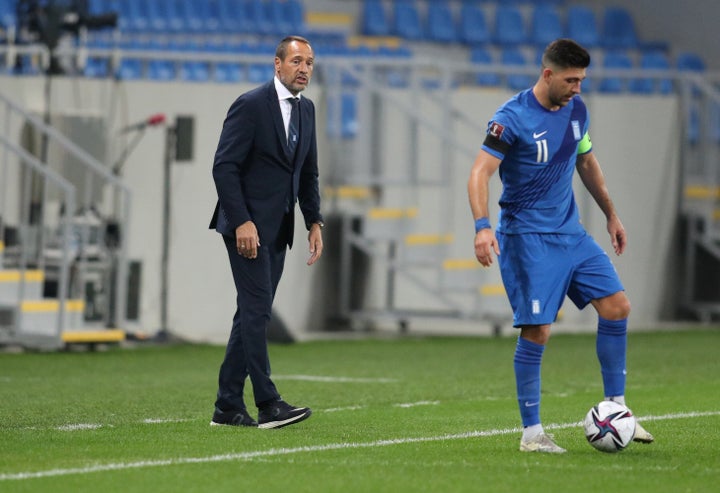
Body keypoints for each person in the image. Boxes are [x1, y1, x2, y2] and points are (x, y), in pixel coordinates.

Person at [467, 38, 654, 453]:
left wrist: (611, 214)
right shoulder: (510, 118)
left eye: (582, 80)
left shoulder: (578, 111)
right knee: (538, 330)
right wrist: (482, 227)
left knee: (617, 306)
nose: (577, 88)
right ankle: (532, 434)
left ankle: (619, 411)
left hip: (571, 234)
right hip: (527, 238)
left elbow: (586, 161)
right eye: (571, 80)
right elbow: (479, 173)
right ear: (547, 74)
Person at [209, 35, 324, 430]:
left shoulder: (306, 111)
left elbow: (307, 173)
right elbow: (224, 166)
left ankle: (226, 406)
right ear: (277, 65)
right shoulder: (251, 105)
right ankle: (268, 403)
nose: (304, 68)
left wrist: (314, 220)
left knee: (250, 314)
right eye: (296, 61)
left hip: (279, 230)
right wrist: (241, 220)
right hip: (246, 228)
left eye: (309, 62)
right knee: (258, 311)